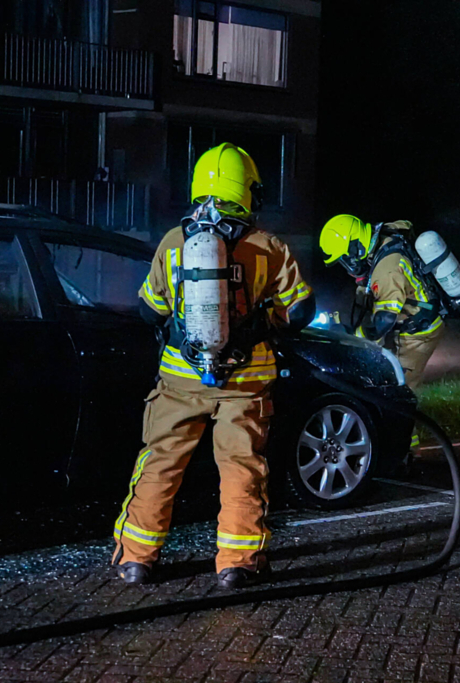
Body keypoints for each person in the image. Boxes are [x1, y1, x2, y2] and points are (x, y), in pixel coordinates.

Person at [111, 143, 315, 588]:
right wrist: (263, 317)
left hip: (180, 380)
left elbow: (150, 309)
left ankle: (136, 560)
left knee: (160, 462)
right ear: (248, 191)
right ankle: (236, 566)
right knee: (242, 467)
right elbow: (300, 312)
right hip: (245, 383)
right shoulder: (268, 247)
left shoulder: (173, 241)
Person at [318, 216, 445, 405]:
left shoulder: (386, 270)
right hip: (407, 321)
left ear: (356, 247)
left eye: (346, 259)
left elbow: (383, 321)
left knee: (398, 391)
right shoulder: (382, 238)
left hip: (418, 332)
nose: (347, 268)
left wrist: (351, 339)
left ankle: (406, 433)